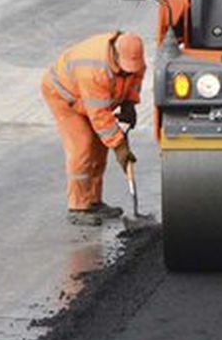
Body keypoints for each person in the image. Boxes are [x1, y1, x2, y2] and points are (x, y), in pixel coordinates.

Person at [41, 32, 146, 226]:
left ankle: (94, 202)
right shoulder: (94, 69)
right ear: (115, 55)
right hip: (64, 96)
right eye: (125, 69)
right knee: (83, 145)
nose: (129, 72)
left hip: (91, 100)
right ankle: (78, 207)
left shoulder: (134, 59)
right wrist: (120, 147)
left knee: (99, 147)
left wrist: (129, 104)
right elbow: (100, 117)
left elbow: (135, 80)